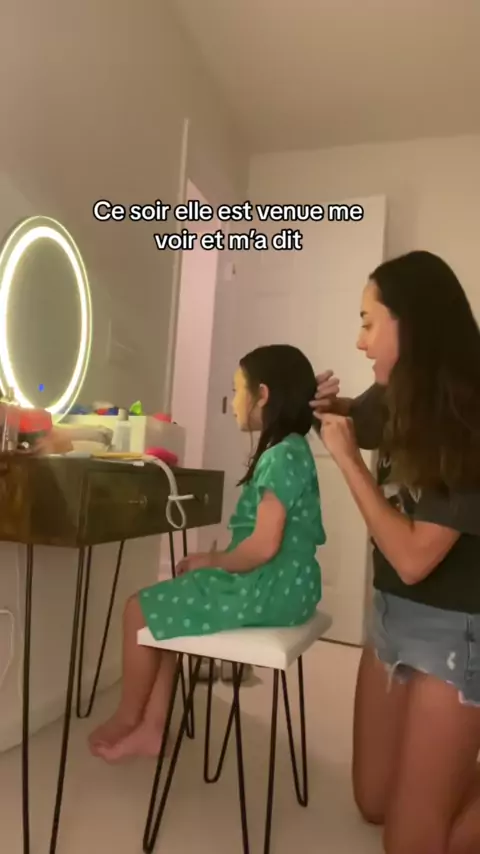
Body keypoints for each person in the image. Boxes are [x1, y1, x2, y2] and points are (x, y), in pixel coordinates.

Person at [312, 250, 480, 854]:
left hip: (457, 632)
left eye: (368, 322)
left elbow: (413, 559)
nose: (360, 342)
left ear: (411, 325)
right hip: (391, 618)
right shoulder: (398, 392)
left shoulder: (471, 415)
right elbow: (353, 419)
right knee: (374, 802)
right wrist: (316, 405)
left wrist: (349, 463)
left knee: (412, 843)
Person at [89, 344, 326, 762]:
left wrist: (212, 561)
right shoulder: (295, 449)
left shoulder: (279, 457)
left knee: (137, 610)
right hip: (293, 587)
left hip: (271, 587)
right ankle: (153, 728)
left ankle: (130, 716)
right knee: (174, 605)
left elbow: (263, 546)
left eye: (237, 390)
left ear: (263, 395)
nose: (232, 401)